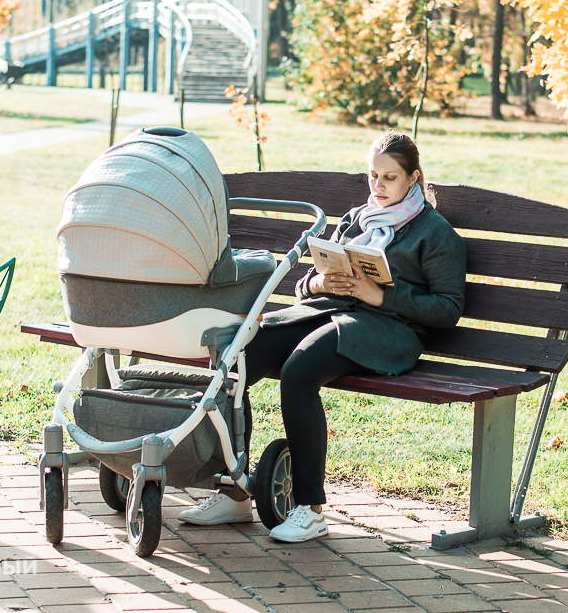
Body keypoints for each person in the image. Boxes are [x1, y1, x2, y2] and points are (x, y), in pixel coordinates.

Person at [178, 130, 467, 542]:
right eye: (372, 176)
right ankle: (235, 489)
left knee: (300, 371)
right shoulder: (356, 219)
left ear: (413, 179)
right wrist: (318, 285)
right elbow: (307, 284)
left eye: (390, 178)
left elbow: (447, 309)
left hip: (387, 331)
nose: (378, 187)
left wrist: (381, 296)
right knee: (236, 355)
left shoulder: (435, 234)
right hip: (328, 312)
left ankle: (309, 509)